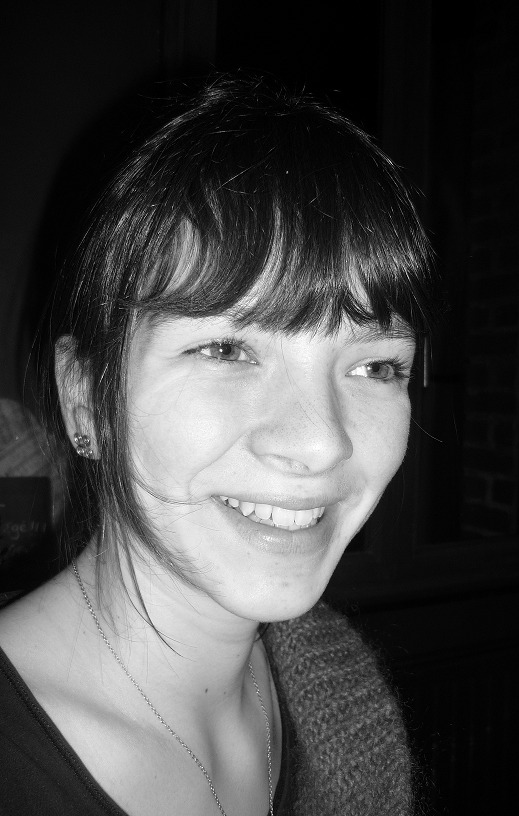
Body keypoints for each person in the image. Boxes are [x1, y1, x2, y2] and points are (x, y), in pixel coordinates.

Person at [0, 74, 439, 815]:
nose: (320, 443)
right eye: (226, 350)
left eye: (376, 367)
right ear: (86, 398)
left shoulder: (339, 689)